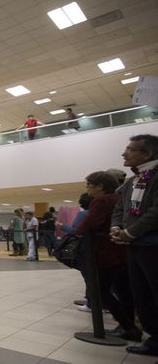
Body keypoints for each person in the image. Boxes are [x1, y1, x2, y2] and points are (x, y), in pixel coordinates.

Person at [76, 171, 140, 341]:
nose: (87, 188)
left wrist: (77, 230)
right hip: (120, 251)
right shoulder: (117, 198)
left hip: (107, 252)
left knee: (101, 291)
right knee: (123, 290)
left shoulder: (102, 200)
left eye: (89, 185)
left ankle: (128, 326)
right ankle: (129, 326)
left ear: (100, 186)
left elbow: (88, 224)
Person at [110, 134, 158, 356]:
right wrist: (116, 227)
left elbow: (155, 213)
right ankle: (154, 338)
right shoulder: (131, 181)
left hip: (152, 247)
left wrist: (129, 232)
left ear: (147, 154)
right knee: (141, 294)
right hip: (135, 247)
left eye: (130, 149)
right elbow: (120, 208)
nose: (124, 153)